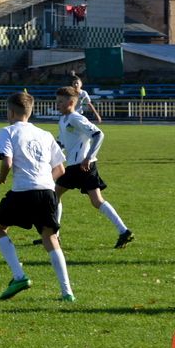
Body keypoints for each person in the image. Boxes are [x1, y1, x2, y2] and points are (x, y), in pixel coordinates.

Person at [0, 92, 74, 302]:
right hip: (47, 192)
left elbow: (7, 162)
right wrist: (44, 179)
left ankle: (19, 276)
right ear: (30, 111)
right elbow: (60, 170)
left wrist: (1, 177)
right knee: (50, 238)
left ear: (10, 112)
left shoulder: (7, 131)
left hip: (22, 191)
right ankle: (67, 292)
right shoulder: (45, 134)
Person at [50, 86, 132, 248]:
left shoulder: (76, 118)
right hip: (73, 166)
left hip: (83, 166)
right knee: (56, 196)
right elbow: (61, 143)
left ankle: (124, 231)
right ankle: (124, 231)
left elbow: (98, 134)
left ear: (72, 102)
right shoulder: (63, 120)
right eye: (56, 101)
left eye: (60, 101)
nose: (57, 104)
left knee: (90, 200)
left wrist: (88, 157)